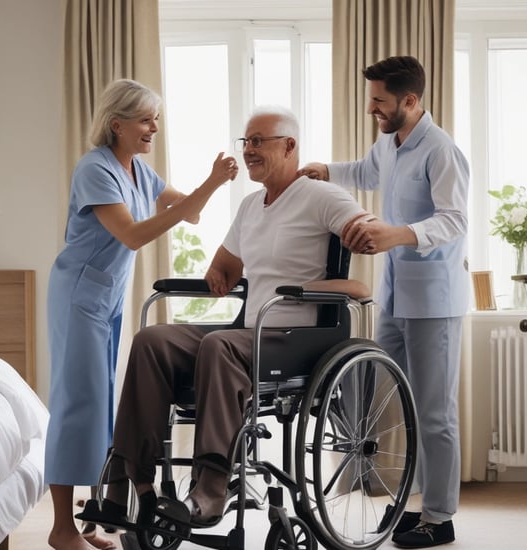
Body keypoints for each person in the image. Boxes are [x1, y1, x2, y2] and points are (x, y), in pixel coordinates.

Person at [78, 105, 372, 531]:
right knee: (152, 339)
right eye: (246, 141)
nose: (249, 150)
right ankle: (131, 480)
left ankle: (211, 486)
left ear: (289, 146)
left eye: (259, 141)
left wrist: (328, 281)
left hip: (297, 337)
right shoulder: (252, 205)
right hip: (249, 331)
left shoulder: (322, 196)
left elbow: (363, 256)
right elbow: (225, 266)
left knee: (220, 344)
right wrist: (218, 273)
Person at [45, 78, 239, 550]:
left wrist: (210, 186)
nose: (154, 128)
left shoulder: (138, 171)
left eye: (157, 120)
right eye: (146, 120)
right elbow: (131, 235)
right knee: (77, 406)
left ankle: (90, 522)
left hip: (108, 297)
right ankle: (60, 529)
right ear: (117, 124)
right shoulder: (95, 169)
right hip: (78, 295)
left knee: (102, 405)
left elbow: (188, 213)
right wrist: (209, 183)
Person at [298, 55, 469, 548]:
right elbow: (368, 172)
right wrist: (327, 169)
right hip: (395, 296)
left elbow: (454, 220)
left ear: (410, 101)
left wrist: (396, 234)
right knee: (398, 403)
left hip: (434, 299)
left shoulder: (441, 151)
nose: (372, 108)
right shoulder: (390, 143)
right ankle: (415, 505)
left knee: (436, 413)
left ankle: (441, 517)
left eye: (380, 101)